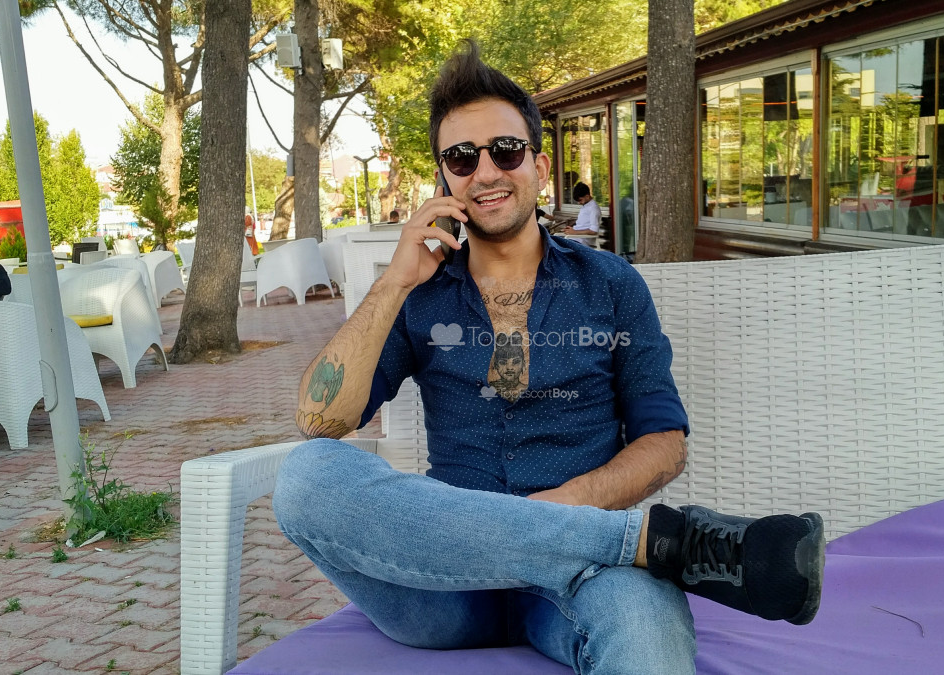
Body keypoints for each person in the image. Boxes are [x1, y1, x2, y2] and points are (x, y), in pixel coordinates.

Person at [276, 40, 824, 675]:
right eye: (461, 158)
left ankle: (625, 544)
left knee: (645, 636)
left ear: (539, 166)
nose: (485, 172)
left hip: (585, 571)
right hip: (443, 586)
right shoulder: (419, 294)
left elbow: (664, 444)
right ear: (445, 180)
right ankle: (662, 542)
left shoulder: (611, 285)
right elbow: (319, 419)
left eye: (506, 151)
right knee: (306, 474)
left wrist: (553, 516)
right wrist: (394, 281)